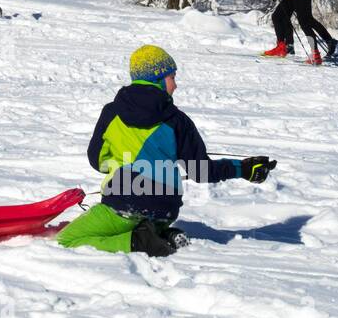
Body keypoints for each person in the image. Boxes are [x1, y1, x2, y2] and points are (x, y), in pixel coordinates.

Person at [57, 45, 276, 256]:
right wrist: (244, 168)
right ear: (158, 79)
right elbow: (201, 171)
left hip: (123, 204)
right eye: (172, 78)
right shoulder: (177, 120)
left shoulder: (112, 113)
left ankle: (139, 243)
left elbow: (97, 160)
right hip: (165, 210)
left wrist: (117, 163)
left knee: (67, 239)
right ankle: (163, 234)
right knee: (145, 217)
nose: (175, 85)